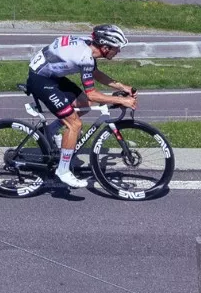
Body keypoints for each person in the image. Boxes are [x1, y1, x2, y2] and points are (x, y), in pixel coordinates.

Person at [26, 25, 135, 188]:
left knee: (85, 104)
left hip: (52, 75)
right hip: (41, 80)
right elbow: (92, 93)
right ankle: (62, 171)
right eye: (116, 48)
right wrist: (121, 101)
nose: (118, 51)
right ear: (105, 47)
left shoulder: (89, 47)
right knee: (75, 124)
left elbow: (95, 73)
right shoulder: (85, 57)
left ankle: (50, 130)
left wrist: (122, 87)